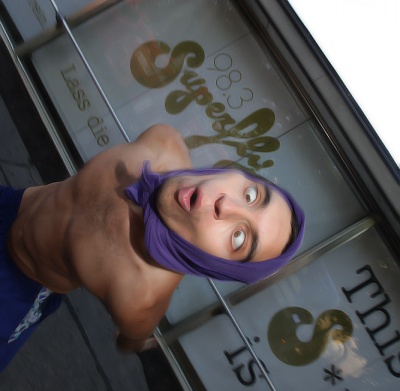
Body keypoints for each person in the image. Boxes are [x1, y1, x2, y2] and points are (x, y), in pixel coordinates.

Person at [0, 124, 304, 372]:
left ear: (217, 264)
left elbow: (131, 337)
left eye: (239, 238)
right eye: (251, 195)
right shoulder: (164, 142)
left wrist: (135, 338)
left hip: (15, 290)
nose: (227, 205)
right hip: (12, 203)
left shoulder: (140, 294)